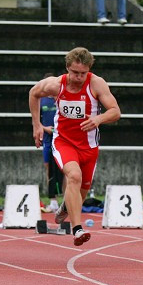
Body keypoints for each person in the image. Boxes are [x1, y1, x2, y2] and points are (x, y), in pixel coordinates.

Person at [27, 46, 121, 247]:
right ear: (67, 68)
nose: (79, 77)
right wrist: (36, 125)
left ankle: (65, 209)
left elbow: (115, 111)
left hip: (89, 146)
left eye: (83, 73)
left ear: (89, 70)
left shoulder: (96, 84)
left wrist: (98, 119)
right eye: (75, 73)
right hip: (64, 142)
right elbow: (33, 93)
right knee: (74, 176)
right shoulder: (55, 85)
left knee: (82, 191)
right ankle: (77, 229)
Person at [37, 75, 64, 213]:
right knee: (49, 169)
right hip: (48, 140)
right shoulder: (41, 100)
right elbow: (36, 121)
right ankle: (53, 200)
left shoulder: (63, 98)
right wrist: (45, 128)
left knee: (66, 170)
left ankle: (66, 200)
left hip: (63, 139)